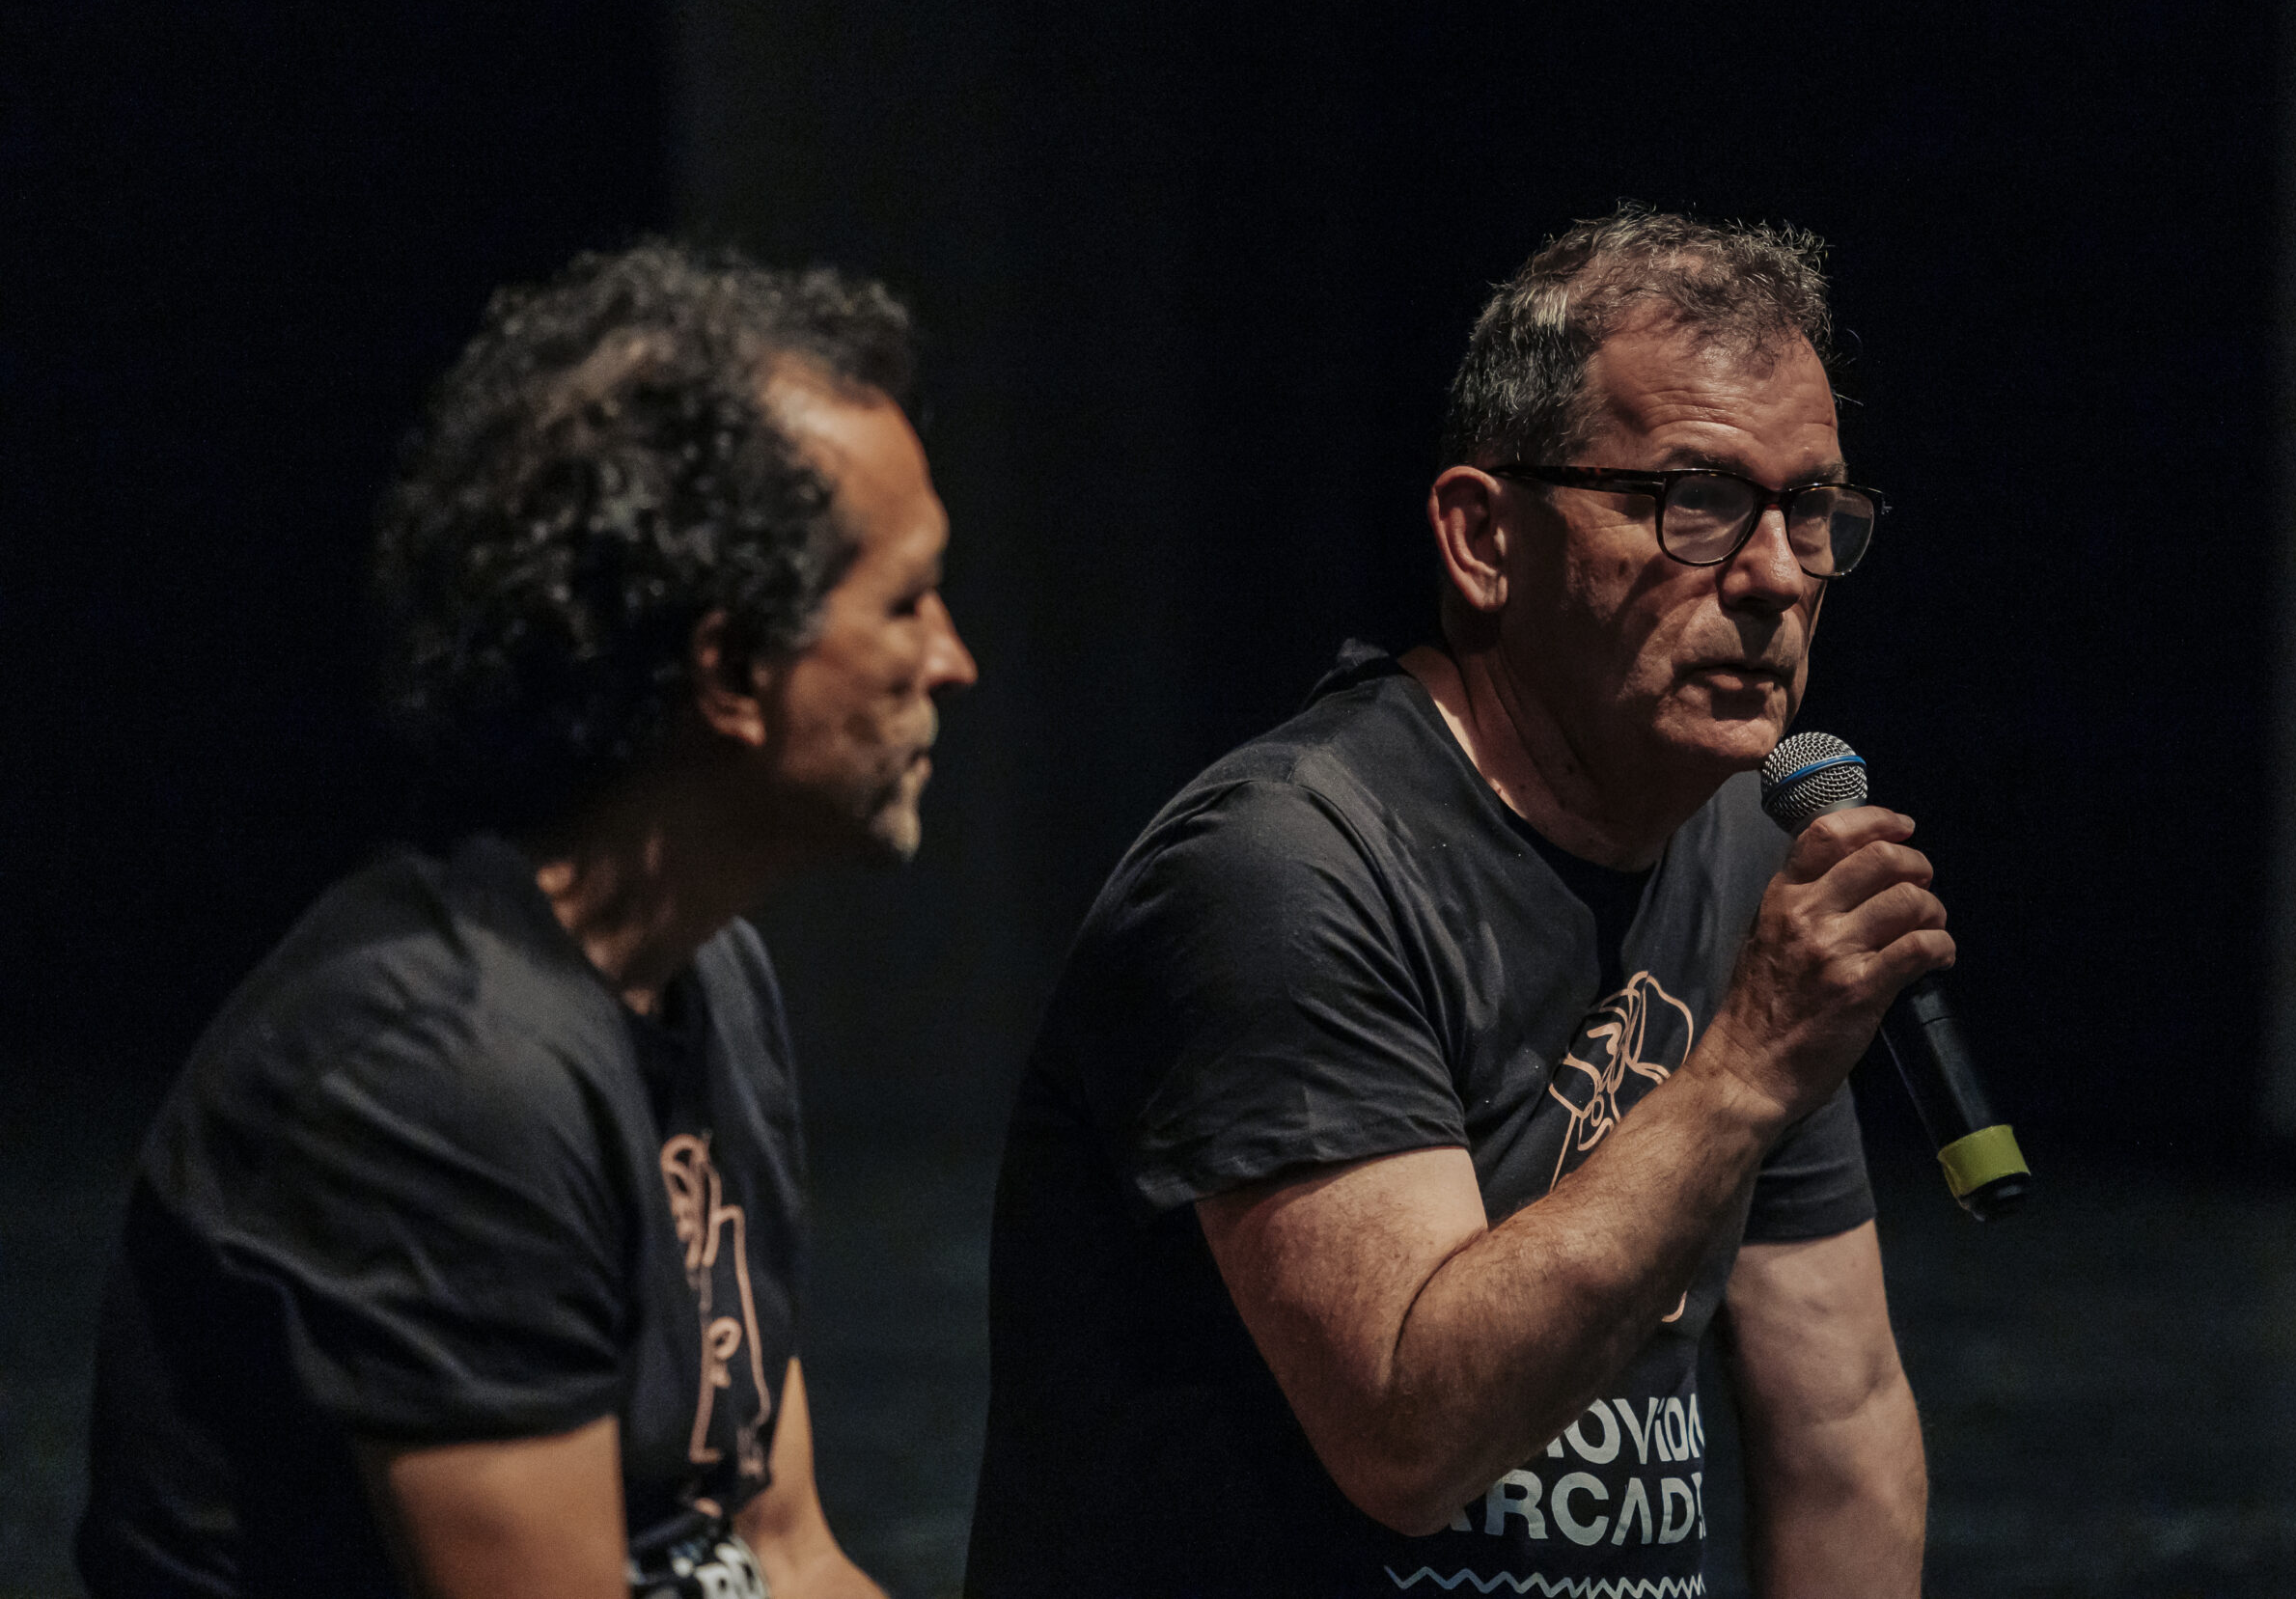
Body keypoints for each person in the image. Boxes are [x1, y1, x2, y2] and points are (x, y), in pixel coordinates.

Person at [965, 208, 1936, 1598]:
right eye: (1696, 501)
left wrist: (1764, 1051)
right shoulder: (1289, 871)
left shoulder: (1744, 868)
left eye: (1811, 510)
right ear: (1484, 538)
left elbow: (1838, 1423)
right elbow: (1410, 1444)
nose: (1777, 574)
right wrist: (1744, 1072)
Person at [78, 241, 977, 1599]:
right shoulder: (443, 1074)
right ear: (733, 670)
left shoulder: (711, 973)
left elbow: (784, 1553)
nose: (953, 660)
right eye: (906, 603)